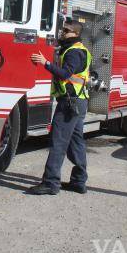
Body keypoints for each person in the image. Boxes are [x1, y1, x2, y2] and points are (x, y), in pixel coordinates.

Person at [27, 20, 92, 195]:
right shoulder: (79, 49)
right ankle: (79, 181)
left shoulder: (74, 52)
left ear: (76, 33)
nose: (62, 32)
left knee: (58, 142)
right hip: (78, 101)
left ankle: (50, 183)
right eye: (63, 29)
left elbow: (65, 74)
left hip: (70, 103)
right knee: (76, 142)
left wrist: (45, 63)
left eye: (66, 30)